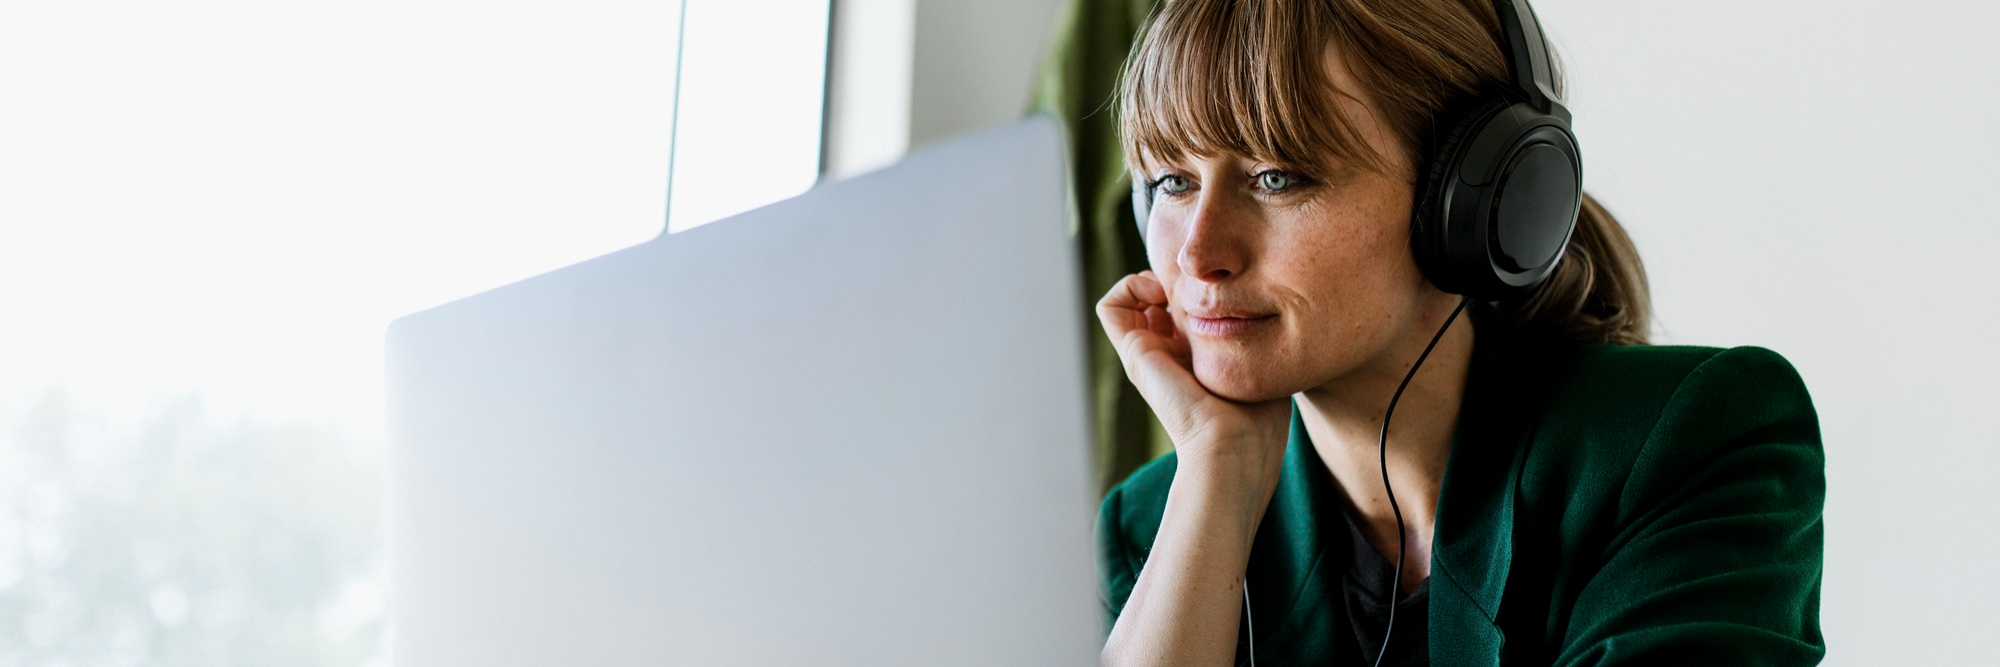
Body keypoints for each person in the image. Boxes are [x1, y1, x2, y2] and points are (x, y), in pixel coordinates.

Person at [1089, 0, 1826, 664]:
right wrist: (1217, 469)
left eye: (1277, 177)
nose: (1196, 253)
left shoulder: (1688, 441)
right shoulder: (1155, 526)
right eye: (1172, 182)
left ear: (1471, 198)